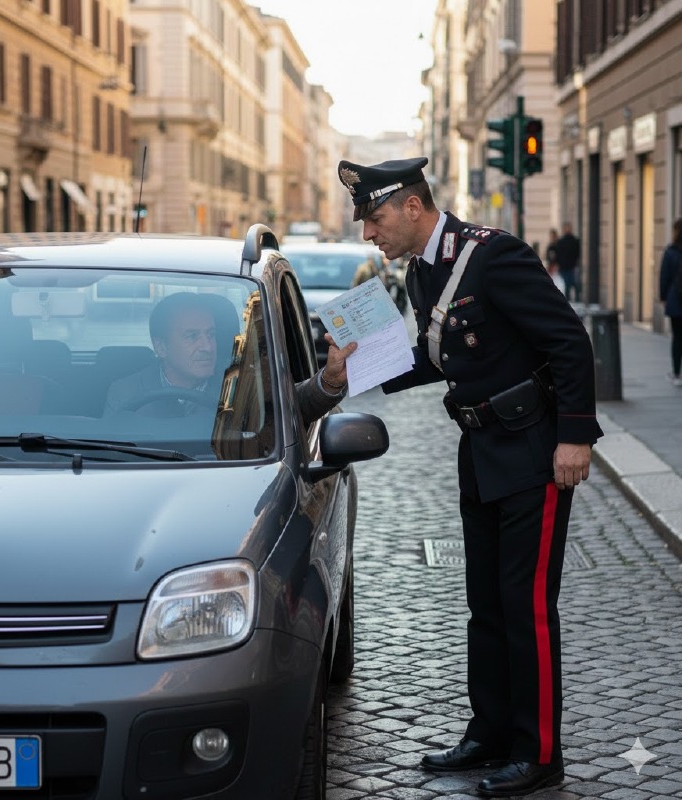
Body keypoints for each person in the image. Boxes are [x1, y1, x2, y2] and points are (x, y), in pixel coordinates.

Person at [337, 156, 602, 798]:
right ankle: (489, 733)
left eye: (375, 218)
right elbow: (438, 356)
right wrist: (355, 368)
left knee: (525, 606)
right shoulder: (423, 270)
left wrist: (574, 435)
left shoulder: (492, 255)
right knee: (485, 602)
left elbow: (569, 341)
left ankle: (538, 752)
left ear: (413, 206)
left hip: (533, 450)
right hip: (481, 449)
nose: (368, 233)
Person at [104, 291, 354, 422]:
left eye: (211, 334)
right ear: (161, 347)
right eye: (192, 336)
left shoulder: (243, 382)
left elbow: (293, 406)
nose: (207, 346)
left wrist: (330, 380)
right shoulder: (125, 392)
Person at [659, 217, 682, 386]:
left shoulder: (670, 251)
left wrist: (663, 297)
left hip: (676, 300)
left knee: (677, 338)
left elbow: (664, 277)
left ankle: (676, 374)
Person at [553, 222, 580, 302]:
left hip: (570, 266)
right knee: (569, 284)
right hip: (565, 267)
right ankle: (570, 300)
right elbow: (558, 254)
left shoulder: (574, 241)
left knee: (571, 284)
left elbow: (577, 253)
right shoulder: (562, 241)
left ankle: (572, 300)